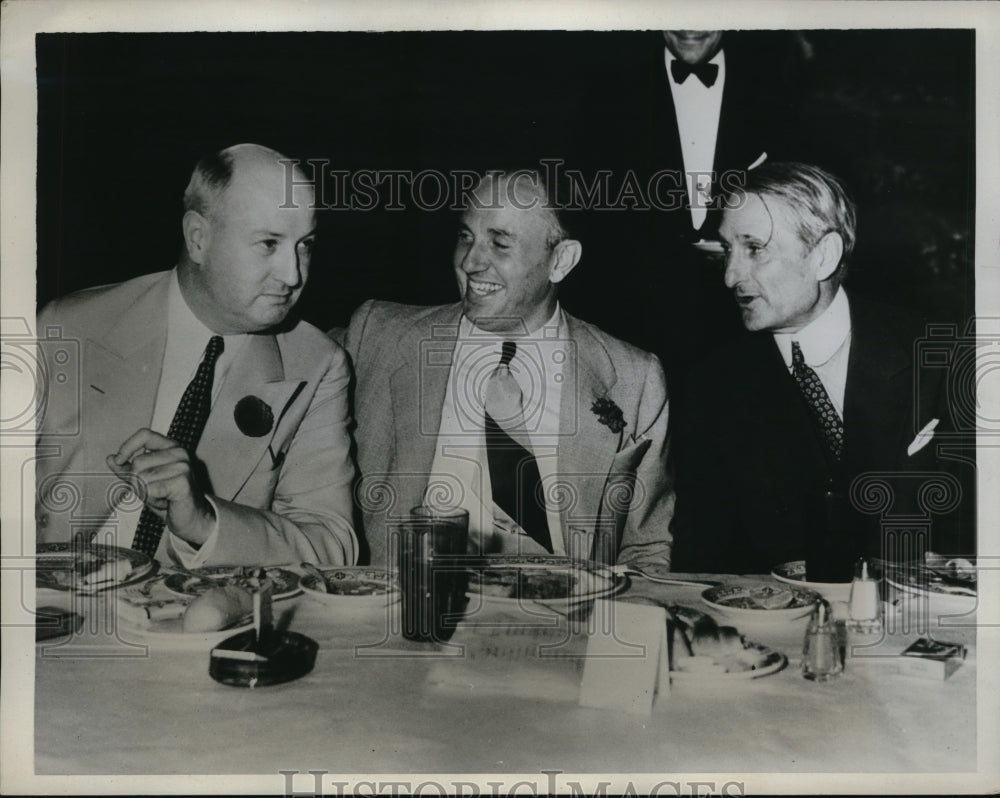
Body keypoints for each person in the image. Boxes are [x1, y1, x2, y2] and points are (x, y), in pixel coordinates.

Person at [35, 143, 358, 567]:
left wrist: (205, 522)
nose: (293, 275)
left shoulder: (316, 365)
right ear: (198, 238)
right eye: (268, 243)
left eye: (305, 245)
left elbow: (333, 548)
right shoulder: (68, 327)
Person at [343, 170, 674, 569]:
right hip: (406, 612)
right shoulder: (375, 334)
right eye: (466, 237)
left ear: (561, 261)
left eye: (499, 244)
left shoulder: (634, 379)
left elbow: (647, 551)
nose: (470, 262)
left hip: (564, 618)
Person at [669, 162, 974, 577]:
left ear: (824, 256)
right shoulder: (713, 386)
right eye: (727, 250)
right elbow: (703, 557)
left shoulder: (940, 353)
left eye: (754, 248)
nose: (730, 275)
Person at [561, 30, 807, 389]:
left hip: (741, 320)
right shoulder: (610, 94)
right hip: (637, 318)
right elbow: (590, 212)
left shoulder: (772, 89)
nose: (691, 24)